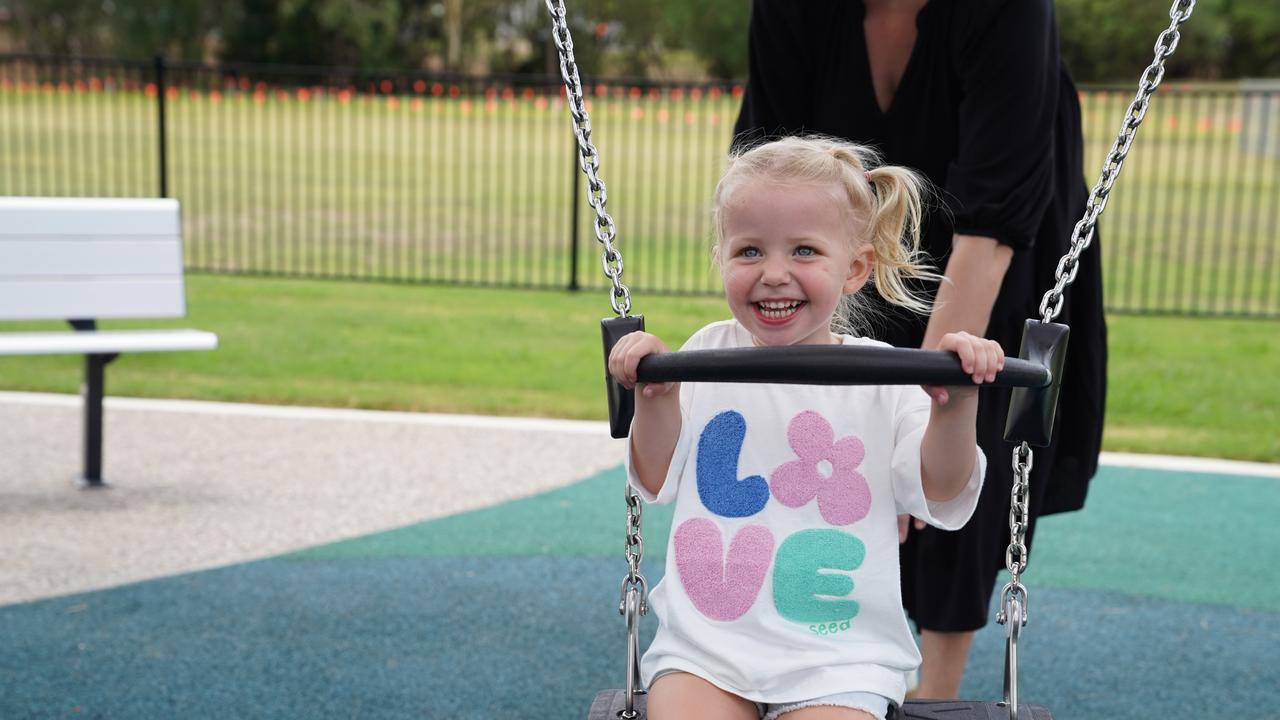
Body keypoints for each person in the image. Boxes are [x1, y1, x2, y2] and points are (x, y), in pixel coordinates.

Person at [731, 0, 1108, 698]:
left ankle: (933, 689)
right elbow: (762, 173)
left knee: (968, 408)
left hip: (995, 241)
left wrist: (908, 419)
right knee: (816, 442)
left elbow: (989, 226)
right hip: (839, 237)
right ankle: (807, 653)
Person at [608, 136, 1005, 720]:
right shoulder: (704, 355)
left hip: (840, 656)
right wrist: (656, 395)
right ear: (721, 257)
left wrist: (956, 405)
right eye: (749, 251)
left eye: (803, 251)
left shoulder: (883, 376)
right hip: (708, 648)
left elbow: (943, 494)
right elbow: (655, 477)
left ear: (855, 269)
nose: (773, 274)